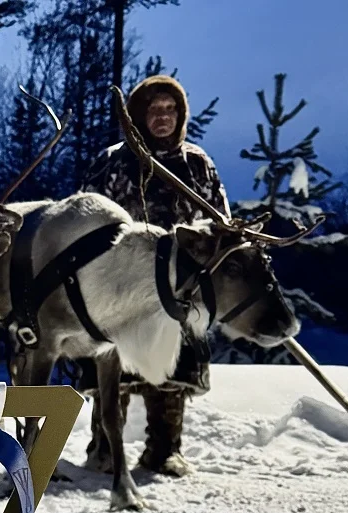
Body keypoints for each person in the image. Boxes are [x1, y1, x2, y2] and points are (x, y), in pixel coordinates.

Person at [74, 74, 231, 478]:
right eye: (154, 109)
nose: (162, 117)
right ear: (139, 116)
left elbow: (220, 225)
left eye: (170, 109)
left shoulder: (197, 164)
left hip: (180, 287)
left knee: (172, 368)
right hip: (121, 284)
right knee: (114, 363)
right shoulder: (112, 161)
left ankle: (164, 450)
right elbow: (82, 218)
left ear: (181, 114)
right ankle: (105, 447)